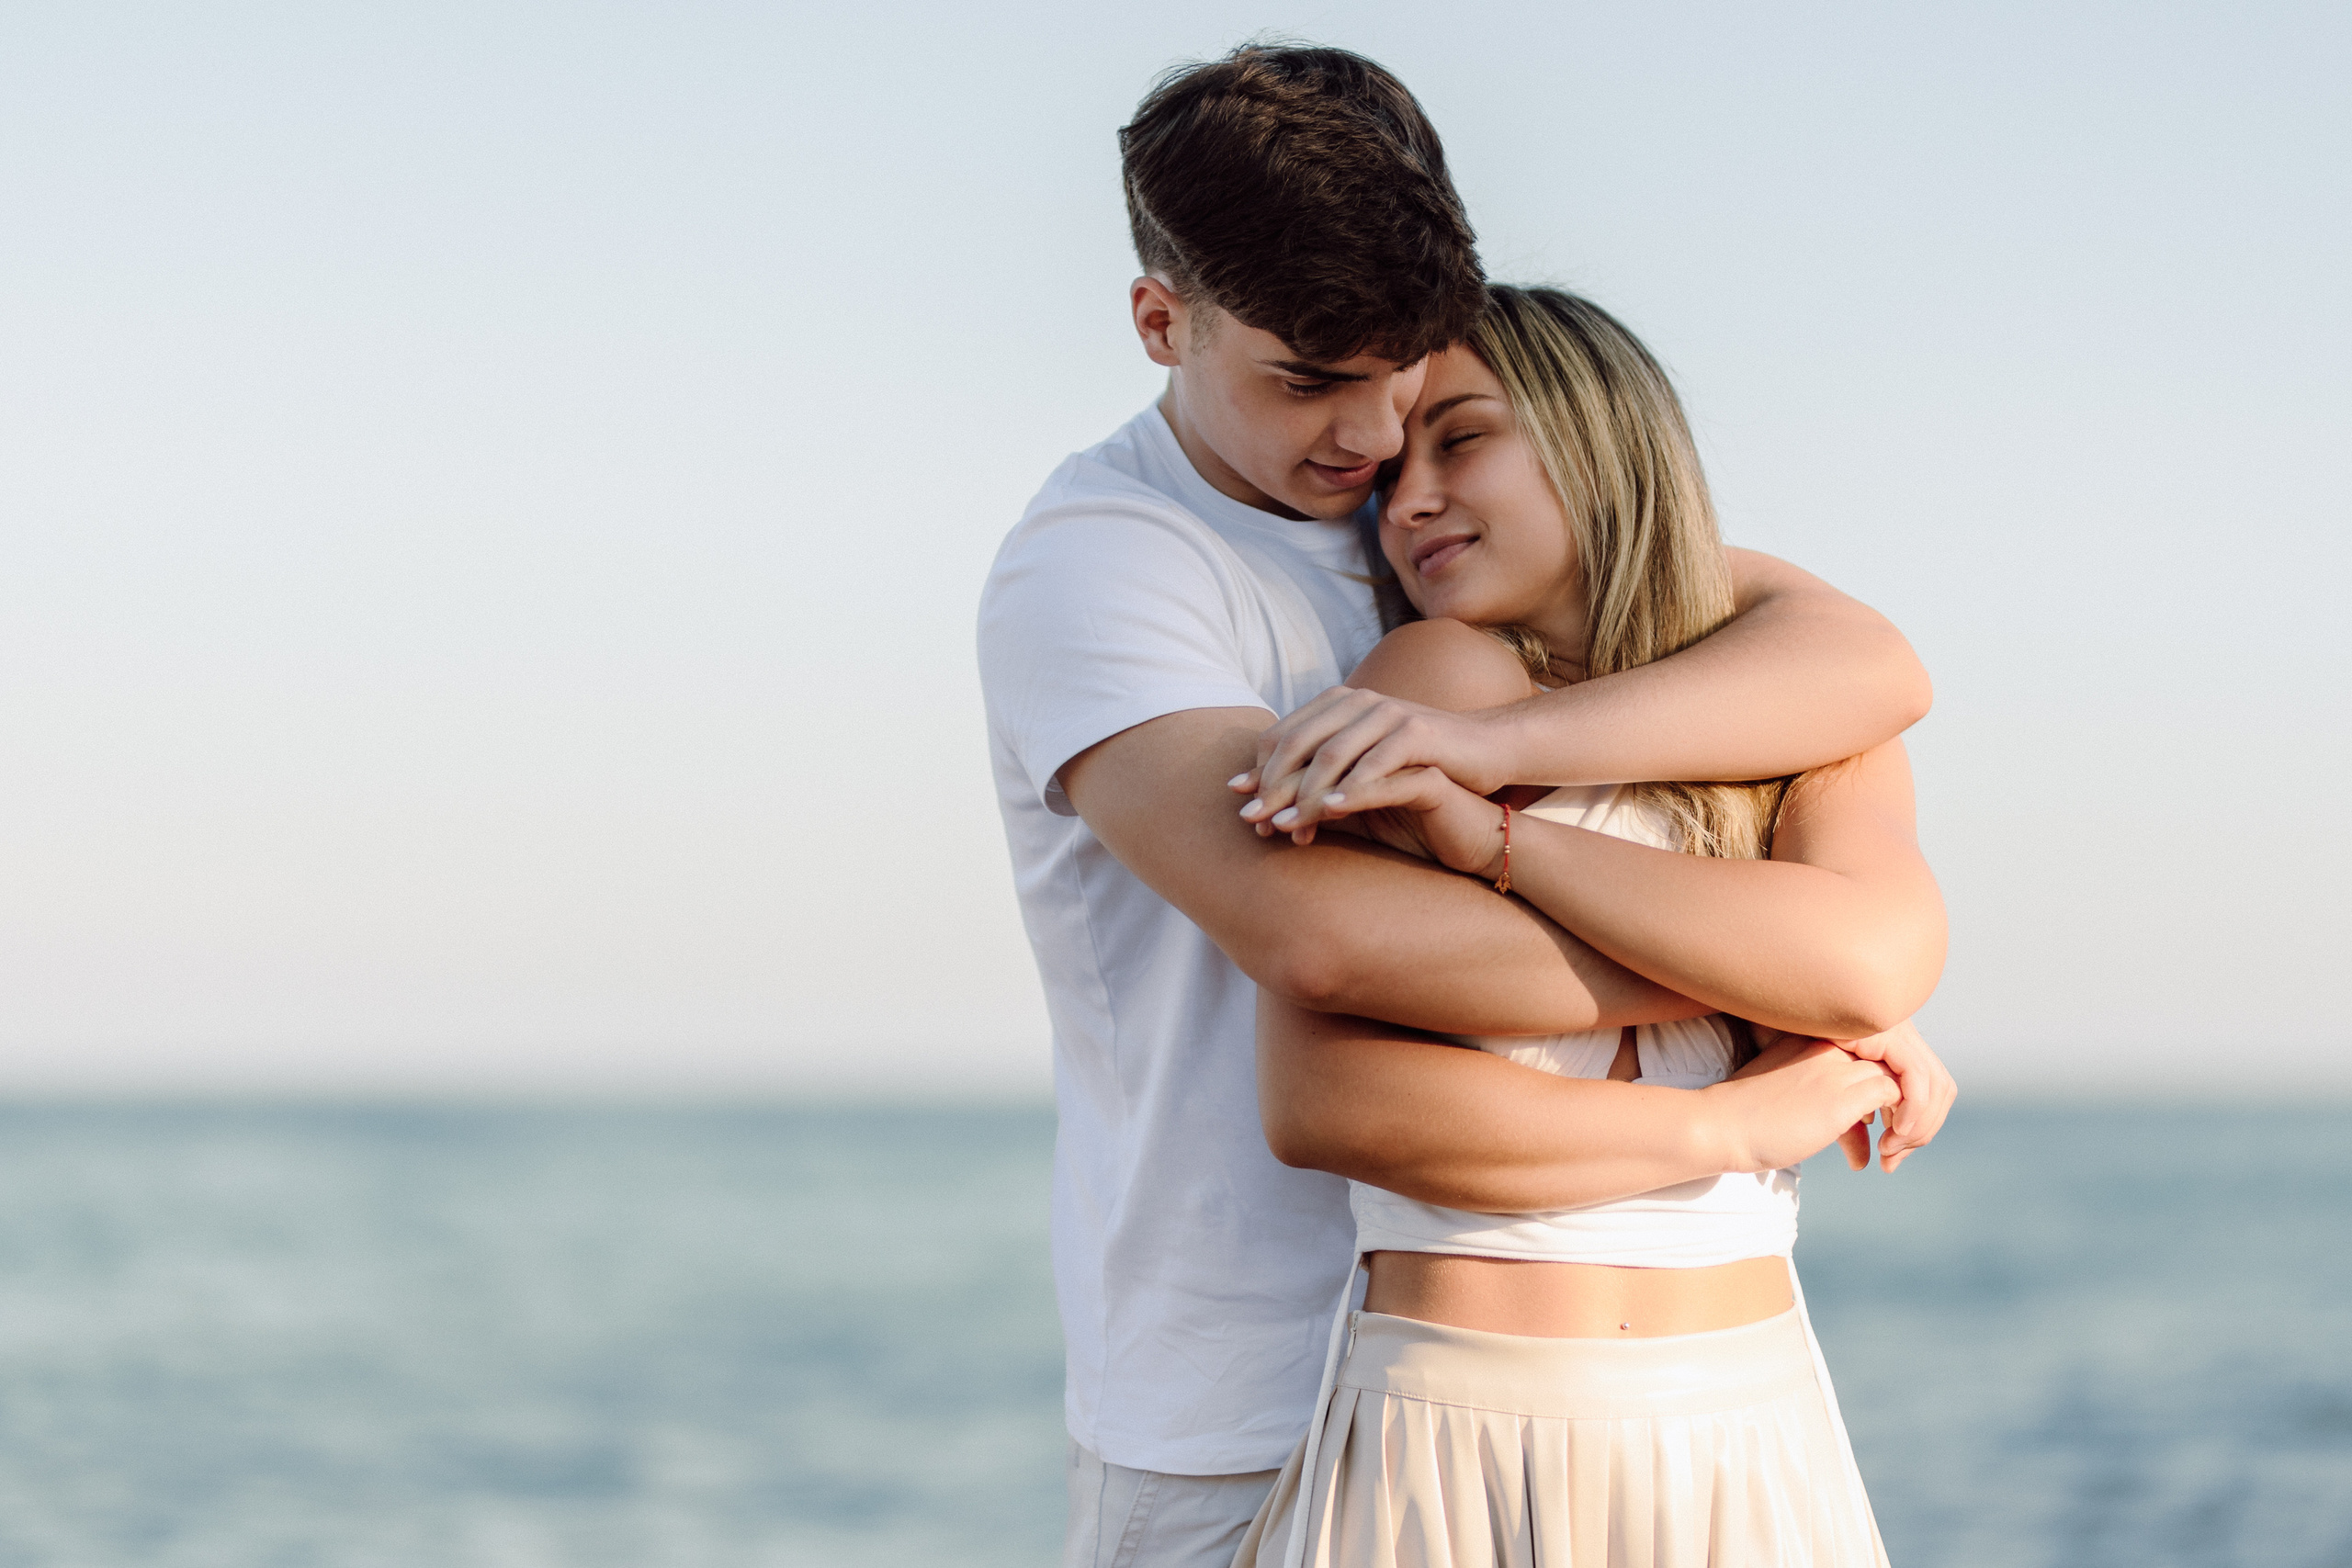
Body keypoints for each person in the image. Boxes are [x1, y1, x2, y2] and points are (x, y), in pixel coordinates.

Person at [976, 44, 1940, 1568]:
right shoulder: (1105, 569)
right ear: (1163, 322)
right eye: (1309, 381)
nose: (1370, 445)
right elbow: (1327, 943)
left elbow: (1859, 657)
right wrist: (1768, 977)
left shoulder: (1440, 540)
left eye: (1411, 378)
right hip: (1235, 1406)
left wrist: (1502, 780)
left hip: (1629, 1376)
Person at [1232, 287, 1951, 1567]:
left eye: (1463, 440)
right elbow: (1323, 1104)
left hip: (1753, 1427)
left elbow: (1864, 963)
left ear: (1598, 437)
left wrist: (1500, 841)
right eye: (1392, 472)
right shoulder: (1427, 686)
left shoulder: (1800, 726)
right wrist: (1727, 1108)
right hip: (1456, 1438)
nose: (1407, 503)